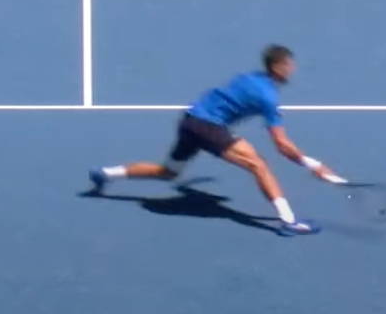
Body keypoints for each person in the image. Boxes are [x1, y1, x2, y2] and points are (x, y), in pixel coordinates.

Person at [88, 46, 344, 237]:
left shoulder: (249, 77)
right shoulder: (267, 97)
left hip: (190, 119)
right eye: (288, 65)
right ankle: (288, 222)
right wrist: (313, 165)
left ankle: (105, 174)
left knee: (168, 173)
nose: (292, 69)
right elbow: (282, 144)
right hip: (208, 126)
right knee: (258, 164)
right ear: (278, 67)